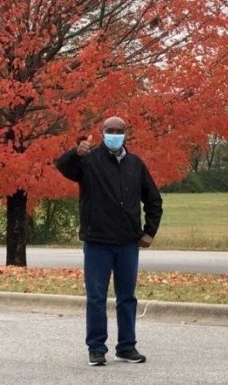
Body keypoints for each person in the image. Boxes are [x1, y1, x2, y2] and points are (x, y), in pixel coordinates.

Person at [55, 116, 163, 367]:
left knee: (127, 297)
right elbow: (63, 167)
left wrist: (149, 232)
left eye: (119, 131)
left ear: (126, 134)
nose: (115, 134)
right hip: (97, 241)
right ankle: (96, 348)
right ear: (102, 133)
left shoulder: (136, 164)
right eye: (110, 131)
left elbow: (153, 200)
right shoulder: (89, 161)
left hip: (127, 242)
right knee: (96, 297)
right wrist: (76, 153)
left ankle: (126, 347)